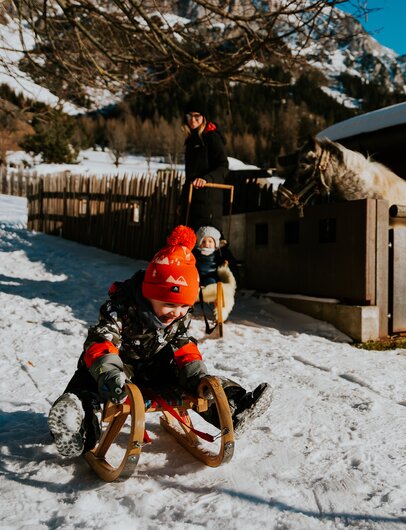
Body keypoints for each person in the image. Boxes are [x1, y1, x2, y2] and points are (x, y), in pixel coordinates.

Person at [47, 225, 272, 458]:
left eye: (185, 306)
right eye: (170, 304)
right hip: (118, 370)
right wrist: (111, 373)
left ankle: (234, 407)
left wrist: (196, 374)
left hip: (157, 369)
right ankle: (76, 423)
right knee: (89, 379)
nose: (177, 312)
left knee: (197, 381)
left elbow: (184, 345)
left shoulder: (178, 317)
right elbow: (101, 340)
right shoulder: (121, 309)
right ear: (149, 294)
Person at [179, 104, 229, 232]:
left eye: (197, 116)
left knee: (205, 247)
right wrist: (182, 202)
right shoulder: (191, 141)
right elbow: (191, 176)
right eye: (189, 115)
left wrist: (206, 179)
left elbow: (223, 165)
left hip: (208, 203)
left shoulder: (212, 137)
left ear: (204, 117)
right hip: (191, 201)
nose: (192, 119)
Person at [193, 225, 237, 322]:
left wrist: (225, 261)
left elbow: (227, 263)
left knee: (213, 282)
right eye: (203, 241)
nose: (206, 244)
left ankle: (220, 314)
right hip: (197, 278)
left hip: (212, 279)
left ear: (215, 243)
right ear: (199, 243)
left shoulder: (218, 255)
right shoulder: (196, 254)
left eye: (210, 241)